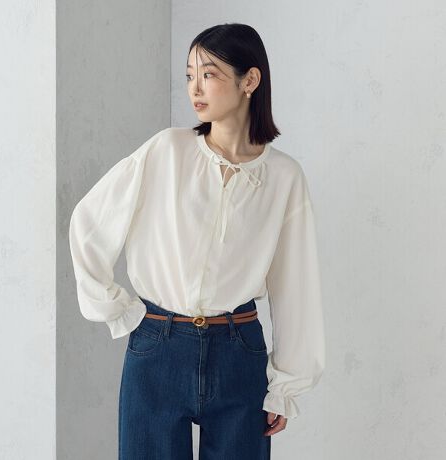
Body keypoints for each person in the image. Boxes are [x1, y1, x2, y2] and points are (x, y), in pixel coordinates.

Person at [69, 22, 325, 460]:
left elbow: (295, 285)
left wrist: (286, 386)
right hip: (157, 344)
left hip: (238, 350)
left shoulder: (283, 176)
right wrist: (119, 309)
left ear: (250, 80)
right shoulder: (166, 151)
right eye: (190, 75)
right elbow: (89, 221)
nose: (195, 87)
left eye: (209, 74)